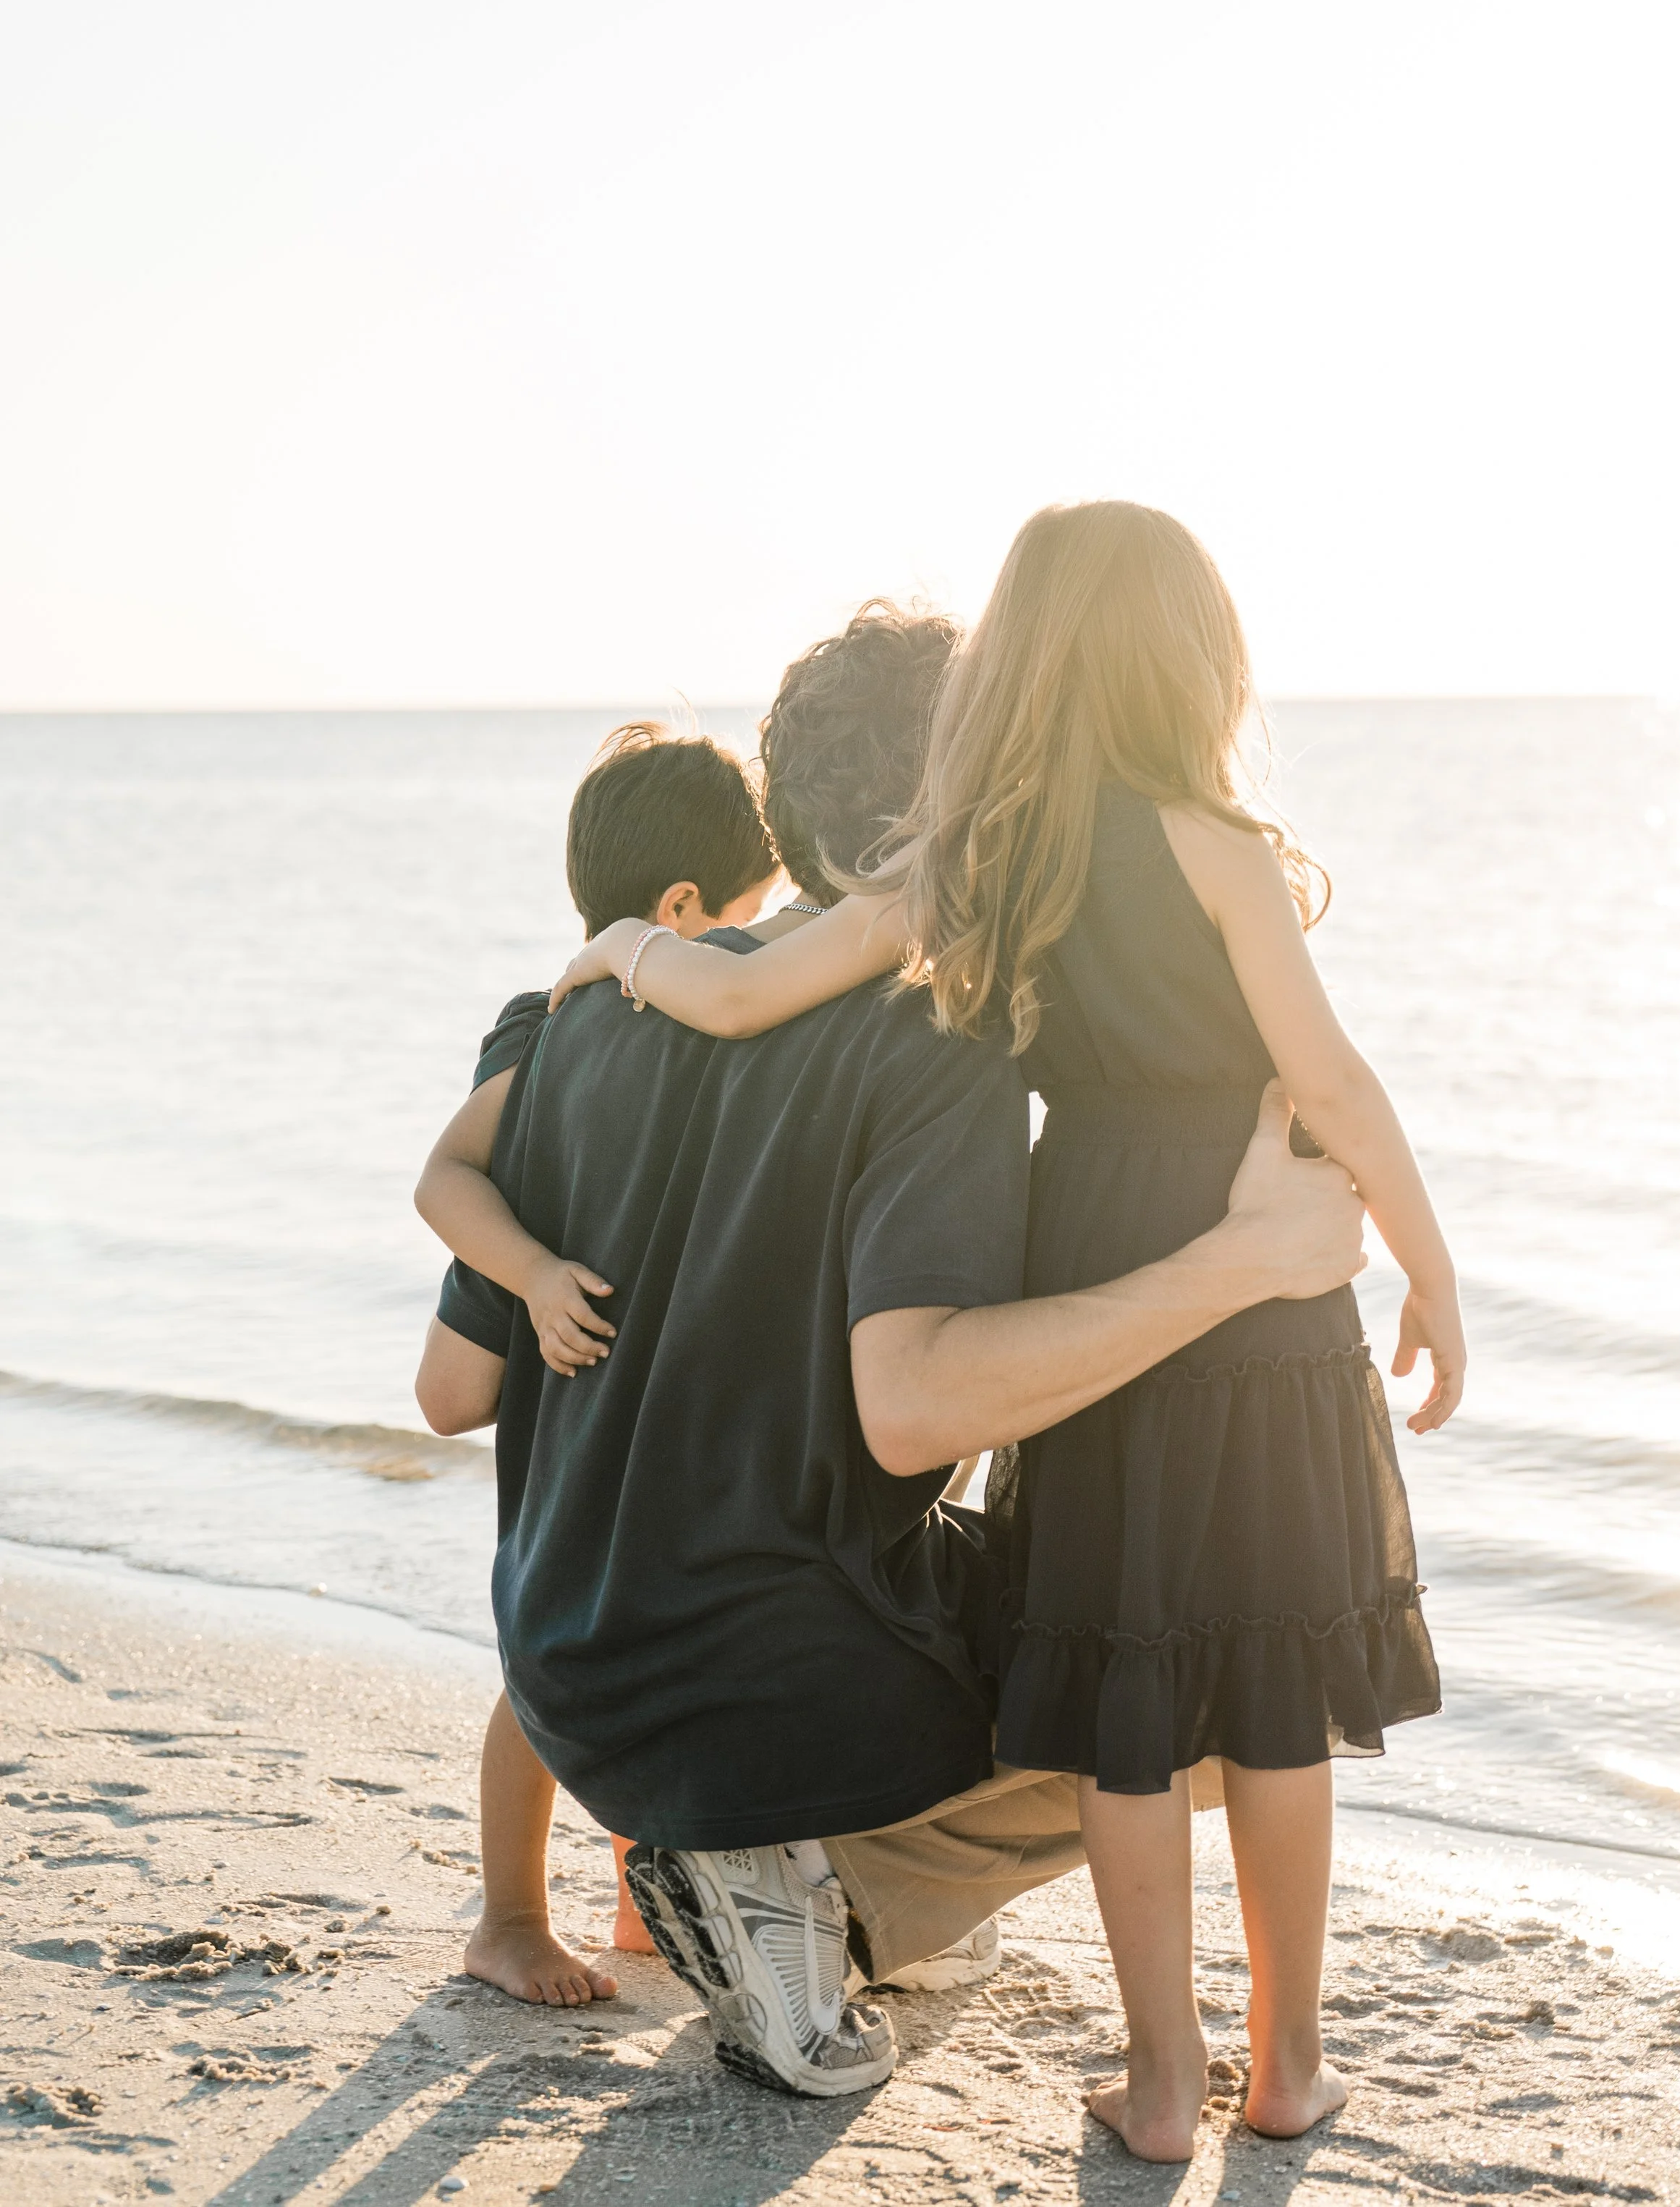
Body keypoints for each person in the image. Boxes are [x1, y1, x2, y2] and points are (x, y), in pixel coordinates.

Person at [547, 503, 1465, 2160]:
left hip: (1090, 1277)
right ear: (1199, 658)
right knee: (1269, 1694)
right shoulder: (1217, 844)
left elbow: (747, 992)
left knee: (1123, 1699)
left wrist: (622, 945)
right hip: (1256, 1293)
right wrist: (1428, 1265)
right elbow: (1325, 1079)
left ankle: (1163, 2081)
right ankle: (1290, 2065)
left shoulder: (981, 867)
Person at [415, 721, 777, 2004]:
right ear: (682, 909)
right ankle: (508, 1917)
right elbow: (445, 1175)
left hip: (629, 1399)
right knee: (551, 1667)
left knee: (634, 1654)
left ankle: (640, 1896)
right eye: (752, 913)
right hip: (564, 1375)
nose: (761, 939)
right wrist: (528, 1275)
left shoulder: (694, 1034)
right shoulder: (556, 1024)